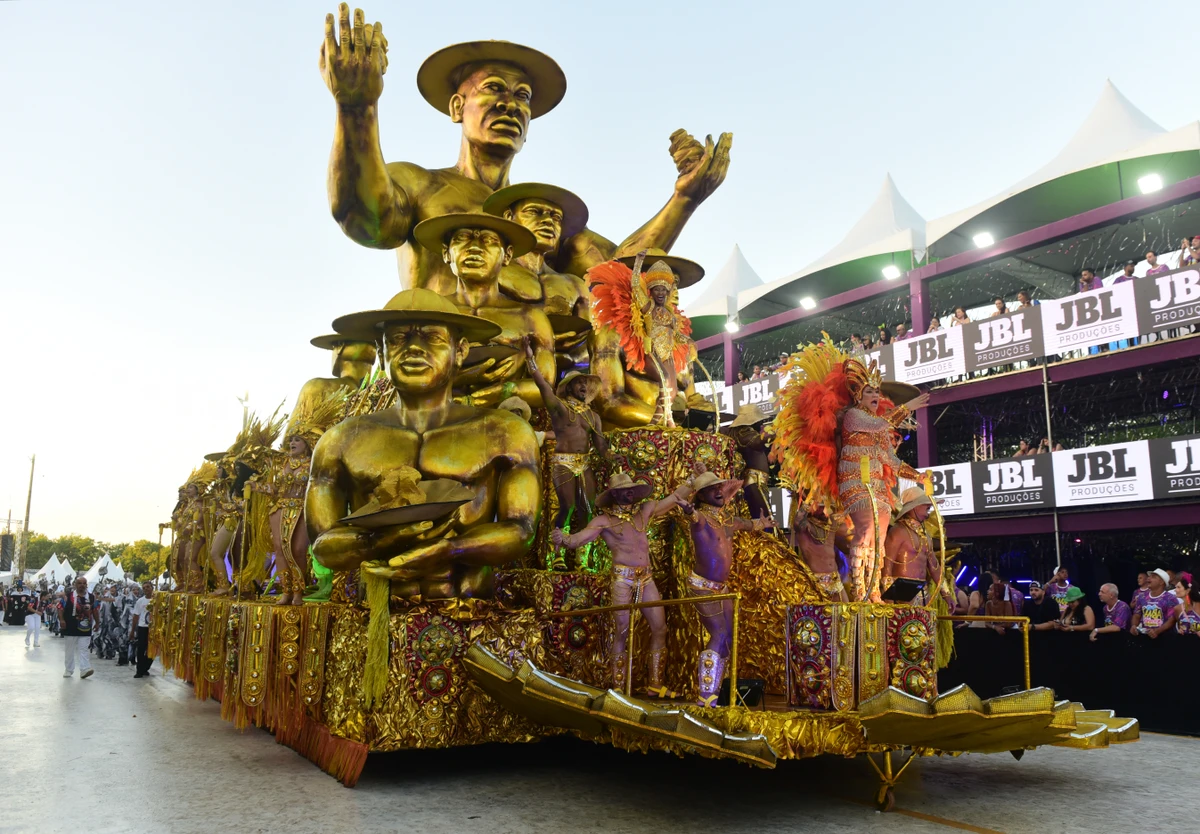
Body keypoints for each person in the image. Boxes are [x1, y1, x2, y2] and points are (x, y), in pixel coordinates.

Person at [319, 5, 730, 297]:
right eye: (494, 88)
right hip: (442, 372)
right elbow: (362, 218)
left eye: (523, 97)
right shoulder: (420, 183)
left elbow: (617, 274)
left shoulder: (542, 213)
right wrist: (356, 108)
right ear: (457, 107)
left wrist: (684, 199)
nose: (510, 105)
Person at [313, 288, 541, 602]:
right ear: (382, 353)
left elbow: (522, 529)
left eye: (432, 337)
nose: (414, 348)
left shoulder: (504, 431)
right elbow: (323, 543)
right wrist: (377, 543)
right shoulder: (341, 439)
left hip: (467, 609)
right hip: (373, 616)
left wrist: (452, 548)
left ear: (460, 351)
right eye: (398, 339)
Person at [553, 471, 696, 696]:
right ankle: (618, 688)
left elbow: (675, 497)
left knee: (660, 628)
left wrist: (693, 480)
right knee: (621, 631)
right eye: (624, 490)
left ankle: (655, 685)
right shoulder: (604, 521)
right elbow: (578, 539)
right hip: (622, 579)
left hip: (646, 578)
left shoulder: (645, 511)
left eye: (632, 489)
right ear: (614, 494)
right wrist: (563, 539)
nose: (629, 493)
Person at [678, 469, 773, 705]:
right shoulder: (701, 518)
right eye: (711, 489)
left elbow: (748, 524)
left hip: (722, 588)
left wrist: (762, 523)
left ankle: (718, 692)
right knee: (719, 633)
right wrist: (689, 512)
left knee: (729, 638)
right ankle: (705, 697)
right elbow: (694, 520)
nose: (718, 491)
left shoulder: (727, 520)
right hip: (702, 586)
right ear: (700, 496)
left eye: (719, 487)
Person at [523, 337, 607, 571]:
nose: (583, 386)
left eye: (585, 383)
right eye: (578, 383)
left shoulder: (594, 417)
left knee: (587, 509)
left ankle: (582, 559)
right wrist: (530, 358)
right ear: (569, 387)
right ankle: (556, 555)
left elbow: (600, 447)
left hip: (586, 463)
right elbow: (542, 386)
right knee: (567, 507)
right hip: (564, 463)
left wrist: (612, 455)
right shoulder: (560, 408)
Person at [882, 487, 952, 607]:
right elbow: (887, 565)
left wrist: (947, 594)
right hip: (900, 594)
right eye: (926, 507)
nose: (928, 513)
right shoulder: (898, 531)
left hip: (923, 593)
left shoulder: (926, 536)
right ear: (915, 507)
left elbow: (935, 567)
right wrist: (889, 598)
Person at [722, 404, 773, 520]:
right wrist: (778, 432)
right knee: (763, 518)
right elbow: (758, 441)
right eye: (759, 420)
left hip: (756, 481)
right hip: (754, 481)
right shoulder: (745, 434)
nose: (761, 423)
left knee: (762, 517)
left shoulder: (743, 434)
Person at [792, 502, 847, 601]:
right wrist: (810, 499)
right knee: (817, 615)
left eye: (825, 506)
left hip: (835, 579)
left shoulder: (830, 524)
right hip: (815, 581)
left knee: (845, 613)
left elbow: (846, 525)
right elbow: (798, 520)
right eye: (820, 507)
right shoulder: (805, 526)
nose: (824, 510)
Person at [59, 577, 97, 679]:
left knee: (84, 649)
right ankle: (69, 669)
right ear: (75, 585)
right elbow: (60, 608)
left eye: (84, 583)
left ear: (86, 585)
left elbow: (95, 610)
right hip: (70, 626)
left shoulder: (91, 597)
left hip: (85, 627)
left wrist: (97, 622)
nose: (82, 585)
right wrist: (62, 620)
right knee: (69, 650)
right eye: (79, 583)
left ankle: (85, 669)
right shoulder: (68, 596)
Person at [1130, 569, 1180, 638]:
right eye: (1149, 576)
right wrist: (1133, 625)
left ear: (1161, 582)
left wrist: (1158, 631)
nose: (1148, 578)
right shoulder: (1142, 596)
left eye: (1153, 577)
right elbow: (1136, 614)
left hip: (1164, 638)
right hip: (1144, 637)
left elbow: (1172, 619)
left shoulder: (1170, 598)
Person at [130, 581, 155, 678]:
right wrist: (132, 631)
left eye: (148, 587)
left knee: (152, 649)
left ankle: (146, 667)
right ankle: (139, 670)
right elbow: (136, 616)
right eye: (144, 588)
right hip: (143, 627)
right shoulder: (140, 601)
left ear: (152, 588)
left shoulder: (158, 600)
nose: (146, 589)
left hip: (153, 628)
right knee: (140, 649)